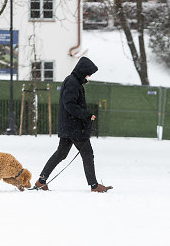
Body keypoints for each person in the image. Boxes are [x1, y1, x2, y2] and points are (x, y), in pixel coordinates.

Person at [34, 57, 113, 193]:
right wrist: (87, 115)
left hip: (69, 126)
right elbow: (70, 105)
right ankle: (94, 186)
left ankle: (41, 181)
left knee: (61, 154)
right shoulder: (72, 83)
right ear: (82, 71)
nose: (89, 76)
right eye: (88, 73)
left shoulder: (73, 82)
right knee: (87, 154)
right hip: (75, 127)